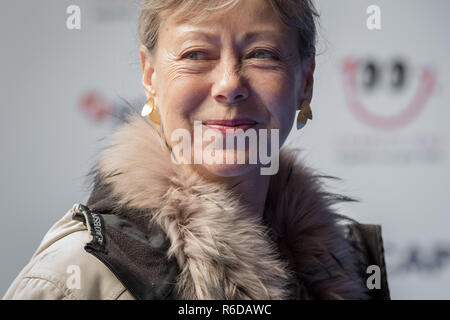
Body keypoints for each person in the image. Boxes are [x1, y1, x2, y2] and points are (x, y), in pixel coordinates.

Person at [3, 0, 390, 300]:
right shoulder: (78, 277)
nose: (228, 84)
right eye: (195, 54)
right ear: (150, 77)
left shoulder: (349, 270)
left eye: (262, 53)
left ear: (305, 82)